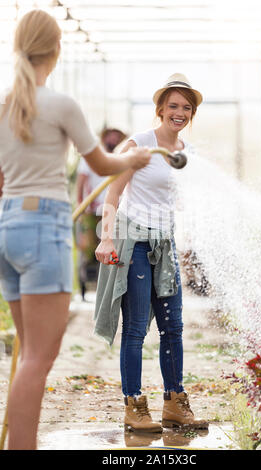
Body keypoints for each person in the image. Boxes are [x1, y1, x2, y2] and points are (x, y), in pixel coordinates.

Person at [0, 9, 151, 450]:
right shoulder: (60, 104)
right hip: (43, 228)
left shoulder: (5, 105)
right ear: (56, 50)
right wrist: (134, 159)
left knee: (28, 356)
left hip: (9, 227)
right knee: (36, 361)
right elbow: (102, 164)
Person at [94, 73, 209, 433]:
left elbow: (176, 202)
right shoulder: (139, 144)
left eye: (186, 107)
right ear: (160, 109)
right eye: (173, 105)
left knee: (173, 327)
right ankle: (134, 405)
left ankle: (175, 403)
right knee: (136, 329)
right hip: (135, 243)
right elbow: (112, 195)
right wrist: (106, 239)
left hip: (165, 242)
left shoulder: (184, 154)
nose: (180, 112)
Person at [76, 128, 127, 300]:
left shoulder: (121, 157)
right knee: (89, 249)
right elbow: (81, 182)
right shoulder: (91, 158)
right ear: (104, 137)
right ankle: (83, 288)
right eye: (111, 135)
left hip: (112, 211)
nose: (114, 139)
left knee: (110, 247)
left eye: (117, 136)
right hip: (92, 211)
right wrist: (81, 206)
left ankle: (104, 289)